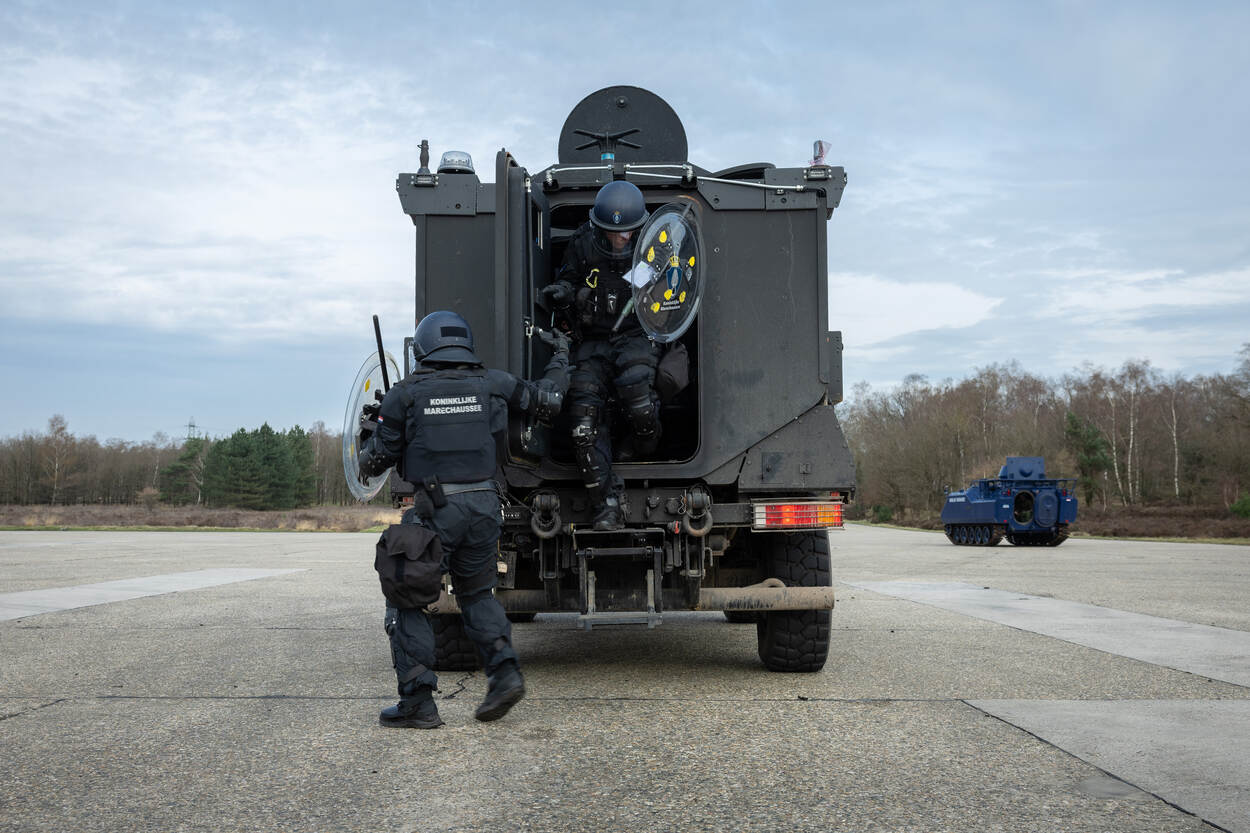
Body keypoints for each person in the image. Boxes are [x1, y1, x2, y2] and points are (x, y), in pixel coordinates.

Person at [357, 309, 569, 728]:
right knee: (476, 595)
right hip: (485, 507)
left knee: (406, 597)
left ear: (423, 348)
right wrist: (561, 356)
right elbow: (550, 401)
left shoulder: (405, 394)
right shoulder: (493, 383)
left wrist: (369, 435)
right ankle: (505, 675)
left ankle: (418, 703)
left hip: (436, 510)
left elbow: (377, 460)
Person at [540, 180, 661, 531]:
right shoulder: (582, 243)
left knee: (639, 400)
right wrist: (563, 291)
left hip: (636, 335)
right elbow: (569, 277)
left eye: (628, 231)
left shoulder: (654, 244)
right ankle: (606, 505)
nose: (623, 238)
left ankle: (641, 445)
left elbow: (674, 288)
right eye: (615, 232)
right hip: (592, 341)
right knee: (582, 424)